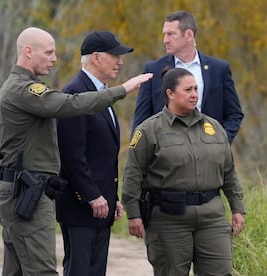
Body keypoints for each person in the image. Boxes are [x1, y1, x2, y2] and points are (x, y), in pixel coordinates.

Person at [0, 26, 152, 276]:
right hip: (27, 193)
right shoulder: (24, 90)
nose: (54, 58)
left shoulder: (15, 89)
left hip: (21, 190)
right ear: (28, 52)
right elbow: (69, 105)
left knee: (17, 271)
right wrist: (122, 90)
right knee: (42, 271)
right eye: (49, 52)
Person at [122, 67, 245, 276]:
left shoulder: (214, 127)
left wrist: (237, 207)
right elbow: (133, 176)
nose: (194, 94)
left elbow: (229, 172)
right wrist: (133, 215)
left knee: (220, 272)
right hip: (169, 218)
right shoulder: (149, 130)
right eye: (188, 89)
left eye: (196, 89)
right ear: (170, 93)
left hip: (211, 216)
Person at [55, 31, 134, 276]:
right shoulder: (76, 93)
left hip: (101, 205)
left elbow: (101, 155)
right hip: (81, 207)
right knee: (79, 271)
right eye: (115, 56)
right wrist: (91, 195)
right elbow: (71, 153)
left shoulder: (101, 94)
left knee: (96, 272)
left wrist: (112, 197)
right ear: (97, 58)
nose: (120, 62)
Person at [132, 10, 244, 145]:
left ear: (189, 35)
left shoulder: (219, 69)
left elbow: (234, 114)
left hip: (209, 154)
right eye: (164, 34)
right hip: (166, 155)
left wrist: (221, 143)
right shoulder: (153, 70)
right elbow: (141, 119)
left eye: (171, 34)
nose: (165, 40)